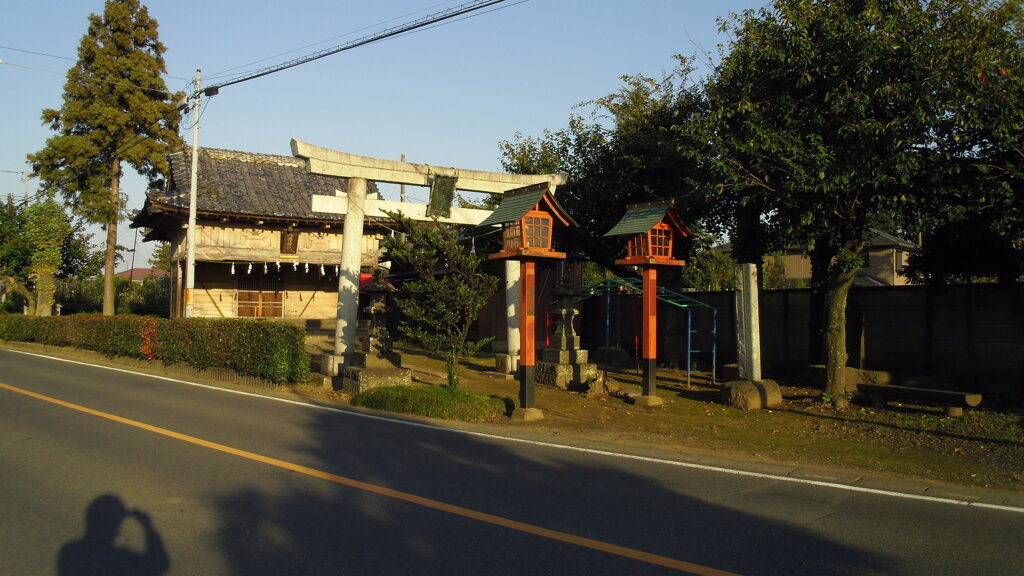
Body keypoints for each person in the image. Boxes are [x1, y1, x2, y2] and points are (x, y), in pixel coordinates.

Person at [58, 494, 169, 576]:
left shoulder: (70, 553)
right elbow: (159, 564)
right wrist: (148, 528)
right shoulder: (121, 560)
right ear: (116, 528)